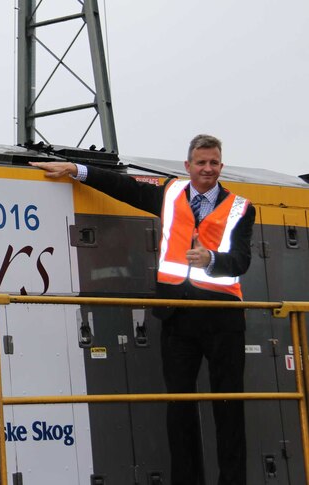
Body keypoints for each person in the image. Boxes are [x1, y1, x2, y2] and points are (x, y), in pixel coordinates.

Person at [32, 134, 254, 485]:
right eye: (201, 162)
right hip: (176, 317)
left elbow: (242, 260)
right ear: (188, 166)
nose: (207, 169)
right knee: (178, 409)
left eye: (213, 163)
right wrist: (77, 169)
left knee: (229, 409)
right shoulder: (170, 194)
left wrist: (211, 259)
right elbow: (126, 188)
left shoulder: (241, 207)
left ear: (221, 166)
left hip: (222, 319)